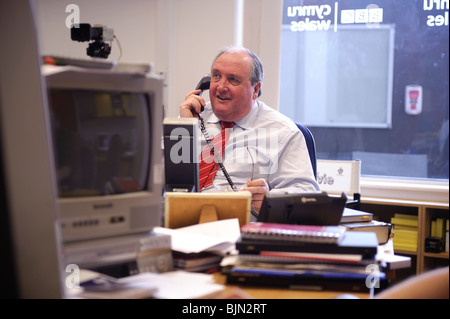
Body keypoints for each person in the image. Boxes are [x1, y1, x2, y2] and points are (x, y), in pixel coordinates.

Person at [180, 46, 319, 215]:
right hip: (186, 224)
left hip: (244, 231)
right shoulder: (192, 118)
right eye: (216, 76)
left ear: (255, 89)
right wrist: (184, 129)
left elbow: (307, 194)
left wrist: (270, 200)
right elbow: (159, 183)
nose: (221, 86)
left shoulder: (282, 131)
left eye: (233, 80)